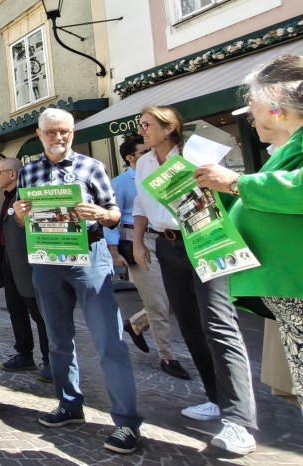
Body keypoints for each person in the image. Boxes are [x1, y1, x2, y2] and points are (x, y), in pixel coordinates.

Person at [13, 108, 142, 454]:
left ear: (72, 133)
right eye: (52, 132)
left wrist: (101, 214)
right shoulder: (28, 171)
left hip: (90, 255)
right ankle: (69, 404)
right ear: (40, 135)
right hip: (48, 260)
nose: (59, 137)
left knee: (109, 340)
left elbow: (114, 213)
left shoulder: (91, 166)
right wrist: (22, 217)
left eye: (65, 132)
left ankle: (127, 421)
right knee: (57, 340)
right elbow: (25, 220)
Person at [133, 105, 257, 455]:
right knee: (189, 324)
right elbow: (141, 205)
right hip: (167, 245)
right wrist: (139, 242)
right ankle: (215, 399)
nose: (141, 130)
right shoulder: (143, 163)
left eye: (147, 125)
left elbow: (224, 189)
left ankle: (239, 421)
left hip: (203, 239)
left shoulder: (195, 152)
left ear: (169, 127)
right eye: (141, 125)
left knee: (218, 324)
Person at [195, 56, 303, 418]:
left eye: (252, 105)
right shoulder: (290, 145)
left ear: (276, 104)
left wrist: (236, 183)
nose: (250, 117)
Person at [106, 136, 189, 380]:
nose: (149, 153)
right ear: (130, 157)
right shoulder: (120, 183)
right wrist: (114, 251)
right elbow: (113, 218)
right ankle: (168, 356)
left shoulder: (164, 171)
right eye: (143, 151)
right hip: (138, 240)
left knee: (178, 297)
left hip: (170, 239)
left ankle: (136, 324)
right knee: (158, 301)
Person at [0, 158, 51, 382]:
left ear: (12, 174)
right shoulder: (7, 197)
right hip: (10, 264)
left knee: (40, 315)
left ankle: (50, 360)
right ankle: (24, 353)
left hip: (28, 266)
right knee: (16, 310)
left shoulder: (27, 196)